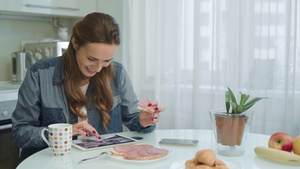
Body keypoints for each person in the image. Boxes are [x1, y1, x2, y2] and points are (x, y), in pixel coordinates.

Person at [11, 12, 165, 165]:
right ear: (75, 43)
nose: (98, 69)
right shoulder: (39, 74)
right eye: (91, 59)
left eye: (106, 61)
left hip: (100, 162)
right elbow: (19, 132)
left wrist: (144, 121)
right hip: (53, 164)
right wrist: (63, 133)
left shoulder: (117, 73)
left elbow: (133, 120)